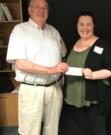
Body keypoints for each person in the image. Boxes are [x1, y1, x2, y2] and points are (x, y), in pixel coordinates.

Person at [6, 0, 69, 135]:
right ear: (29, 10)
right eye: (37, 7)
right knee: (30, 131)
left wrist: (61, 76)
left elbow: (63, 53)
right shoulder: (20, 30)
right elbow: (20, 64)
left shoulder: (53, 31)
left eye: (45, 8)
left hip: (54, 89)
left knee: (52, 130)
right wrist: (50, 70)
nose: (41, 10)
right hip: (32, 90)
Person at [64, 11, 111, 135]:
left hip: (93, 98)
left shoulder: (102, 45)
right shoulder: (73, 45)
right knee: (79, 131)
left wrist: (93, 75)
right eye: (81, 24)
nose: (85, 28)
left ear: (93, 26)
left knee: (97, 131)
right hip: (73, 97)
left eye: (88, 24)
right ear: (77, 26)